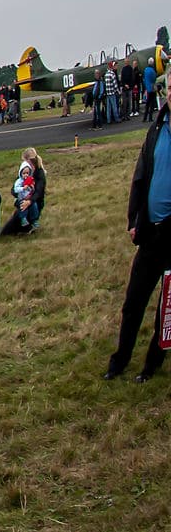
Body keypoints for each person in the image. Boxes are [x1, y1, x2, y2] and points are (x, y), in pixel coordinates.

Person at [105, 101, 171, 380]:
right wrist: (135, 220)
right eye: (170, 88)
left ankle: (152, 365)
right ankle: (120, 360)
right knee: (133, 302)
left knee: (166, 306)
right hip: (150, 232)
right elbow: (141, 175)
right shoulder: (157, 128)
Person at [3, 147, 47, 236]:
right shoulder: (25, 172)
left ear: (28, 160)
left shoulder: (39, 173)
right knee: (8, 230)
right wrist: (18, 192)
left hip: (35, 203)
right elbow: (14, 188)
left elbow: (39, 192)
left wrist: (29, 202)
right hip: (23, 201)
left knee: (18, 225)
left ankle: (29, 225)